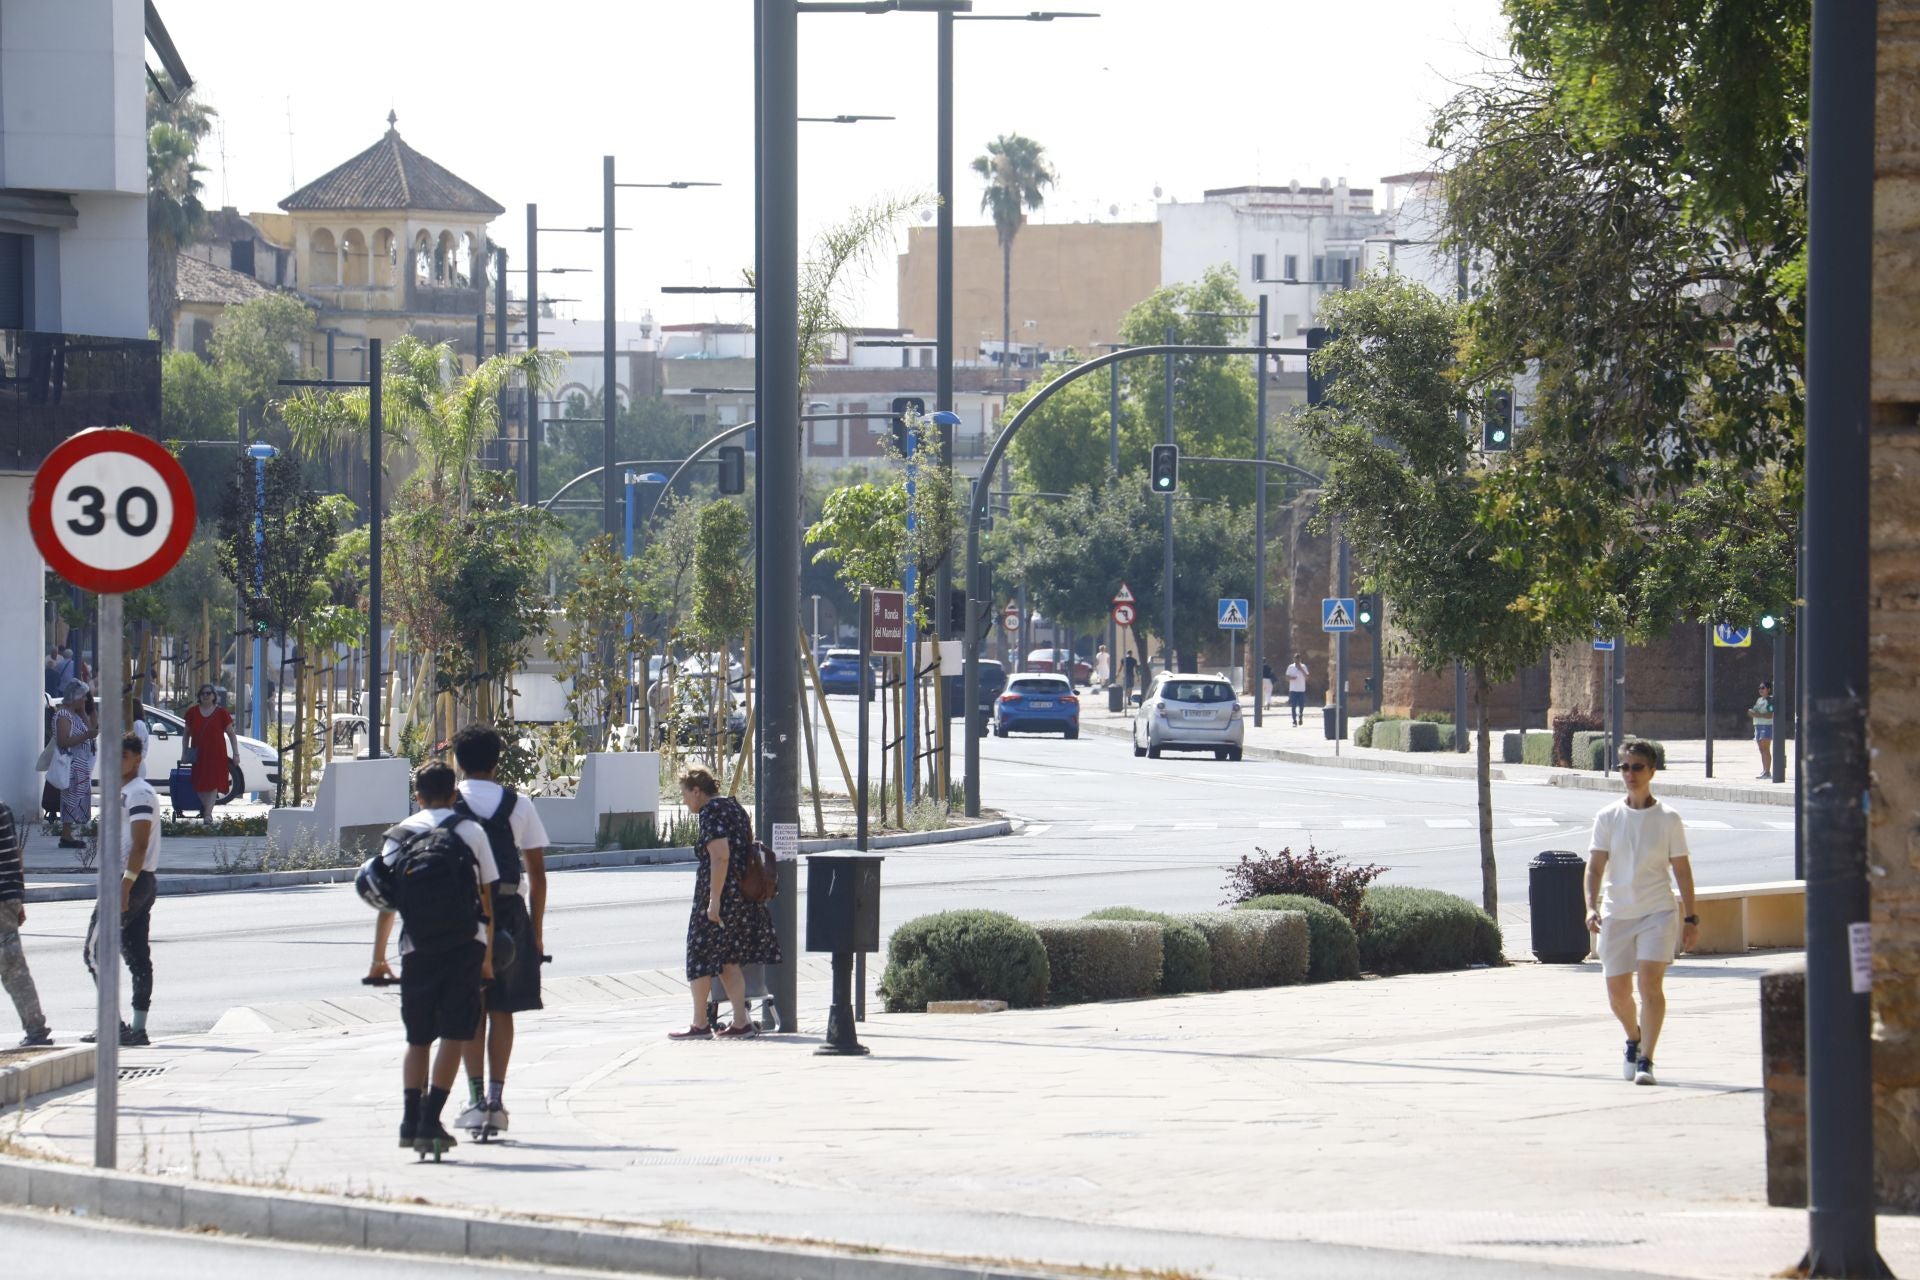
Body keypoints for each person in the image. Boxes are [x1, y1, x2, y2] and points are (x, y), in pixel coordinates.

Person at [368, 762, 498, 1158]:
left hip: (415, 947)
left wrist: (378, 958)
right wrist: (488, 958)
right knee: (456, 1034)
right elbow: (486, 897)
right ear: (454, 795)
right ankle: (431, 1119)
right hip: (464, 944)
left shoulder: (399, 834)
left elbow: (386, 902)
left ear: (418, 796)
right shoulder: (470, 831)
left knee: (418, 1037)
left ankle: (410, 1119)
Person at [450, 725, 549, 1141]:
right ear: (496, 763)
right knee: (502, 1009)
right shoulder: (518, 804)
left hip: (463, 915)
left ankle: (474, 1099)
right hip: (510, 912)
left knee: (472, 1009)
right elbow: (538, 875)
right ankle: (496, 1098)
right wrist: (537, 933)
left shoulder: (447, 802)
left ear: (458, 762)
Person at [1584, 740, 1698, 1087]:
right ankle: (1633, 1037)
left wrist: (1691, 918)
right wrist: (1590, 906)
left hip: (1657, 913)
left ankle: (1647, 1058)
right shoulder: (1607, 817)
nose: (1630, 774)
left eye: (1637, 767)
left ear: (1652, 772)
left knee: (1650, 984)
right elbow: (1594, 868)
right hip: (1616, 912)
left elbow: (1682, 871)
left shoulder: (1668, 819)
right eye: (1624, 767)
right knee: (1617, 992)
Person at [671, 767, 780, 1040]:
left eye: (684, 794)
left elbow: (720, 857)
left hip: (721, 896)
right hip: (741, 899)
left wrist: (713, 901)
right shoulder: (734, 807)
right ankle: (741, 1022)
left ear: (697, 791)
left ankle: (699, 1024)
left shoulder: (711, 813)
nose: (683, 801)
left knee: (699, 956)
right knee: (727, 959)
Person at [82, 733, 160, 1047]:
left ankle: (114, 1024)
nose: (116, 762)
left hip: (129, 881)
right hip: (138, 881)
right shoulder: (126, 791)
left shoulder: (138, 793)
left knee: (95, 952)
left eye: (123, 756)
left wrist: (125, 885)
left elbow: (140, 845)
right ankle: (137, 1029)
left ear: (137, 759)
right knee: (136, 955)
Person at [0, 799, 51, 1047]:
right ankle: (36, 1029)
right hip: (8, 898)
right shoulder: (3, 808)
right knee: (13, 968)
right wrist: (19, 897)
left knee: (12, 968)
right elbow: (16, 854)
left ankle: (36, 1030)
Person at [51, 681, 98, 851]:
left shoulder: (76, 714)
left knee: (77, 799)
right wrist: (86, 735)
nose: (85, 699)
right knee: (70, 799)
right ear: (75, 697)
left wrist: (85, 713)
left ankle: (69, 833)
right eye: (83, 696)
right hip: (71, 765)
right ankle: (66, 835)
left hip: (80, 764)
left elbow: (91, 730)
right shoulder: (64, 715)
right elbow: (64, 741)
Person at [183, 684, 238, 820]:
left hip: (216, 754)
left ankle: (208, 814)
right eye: (203, 693)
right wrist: (184, 752)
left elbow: (231, 734)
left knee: (213, 783)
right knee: (199, 784)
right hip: (199, 754)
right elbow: (186, 735)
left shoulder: (221, 713)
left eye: (208, 693)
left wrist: (236, 753)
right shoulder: (192, 713)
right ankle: (207, 808)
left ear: (214, 696)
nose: (205, 696)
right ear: (199, 696)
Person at [1750, 681, 1775, 781]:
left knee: (1766, 749)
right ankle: (1764, 769)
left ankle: (1767, 771)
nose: (1760, 690)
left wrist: (1757, 714)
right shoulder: (1759, 700)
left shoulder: (1770, 700)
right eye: (1759, 688)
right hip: (1757, 726)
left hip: (1766, 726)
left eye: (1763, 688)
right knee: (1761, 749)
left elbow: (1770, 714)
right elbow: (1754, 711)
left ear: (1768, 689)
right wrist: (1752, 713)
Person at [1284, 654, 1310, 727]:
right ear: (1294, 659)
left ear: (1300, 659)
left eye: (1298, 660)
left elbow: (1307, 677)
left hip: (1301, 689)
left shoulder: (1304, 666)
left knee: (1301, 705)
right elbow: (1286, 677)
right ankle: (1294, 720)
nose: (1297, 661)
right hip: (1293, 689)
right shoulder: (1290, 667)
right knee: (1293, 706)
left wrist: (1301, 669)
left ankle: (1300, 716)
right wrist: (1291, 678)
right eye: (1296, 659)